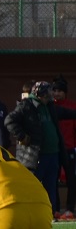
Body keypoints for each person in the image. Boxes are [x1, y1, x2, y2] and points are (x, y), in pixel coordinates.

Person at [4, 81, 73, 211]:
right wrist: (22, 136)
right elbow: (9, 120)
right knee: (32, 187)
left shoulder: (49, 106)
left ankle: (50, 214)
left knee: (51, 187)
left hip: (53, 154)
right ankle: (28, 213)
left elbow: (65, 113)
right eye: (49, 92)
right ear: (41, 94)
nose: (52, 94)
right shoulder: (26, 105)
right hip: (35, 156)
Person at [49, 79, 76, 220]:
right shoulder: (49, 107)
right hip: (54, 149)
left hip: (70, 149)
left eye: (59, 91)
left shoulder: (72, 107)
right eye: (54, 90)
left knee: (72, 179)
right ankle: (56, 209)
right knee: (53, 180)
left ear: (65, 93)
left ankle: (70, 209)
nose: (57, 94)